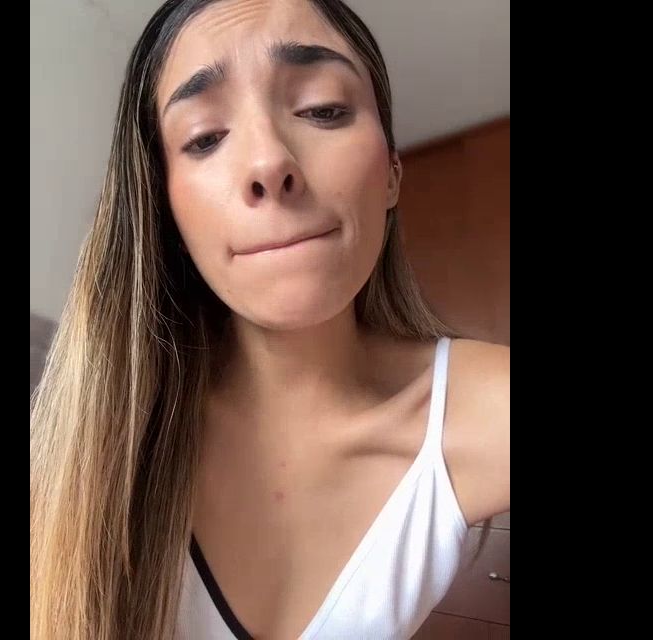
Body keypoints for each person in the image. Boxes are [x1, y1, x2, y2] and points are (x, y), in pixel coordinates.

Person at [30, 1, 509, 638]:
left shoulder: (484, 408)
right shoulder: (87, 456)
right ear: (164, 207)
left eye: (322, 109)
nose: (268, 163)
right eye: (204, 138)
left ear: (392, 172)